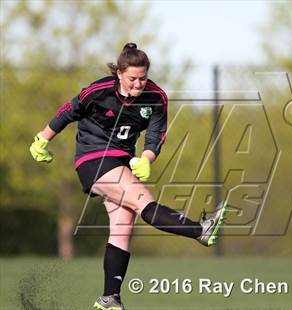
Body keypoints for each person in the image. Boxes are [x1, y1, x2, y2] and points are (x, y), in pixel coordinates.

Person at [29, 42, 227, 310]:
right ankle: (199, 230)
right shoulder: (99, 91)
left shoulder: (156, 97)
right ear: (119, 73)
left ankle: (110, 297)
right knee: (143, 199)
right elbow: (69, 111)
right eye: (132, 78)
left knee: (122, 229)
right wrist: (43, 138)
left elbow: (156, 135)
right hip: (93, 158)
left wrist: (147, 159)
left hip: (122, 160)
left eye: (143, 78)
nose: (138, 84)